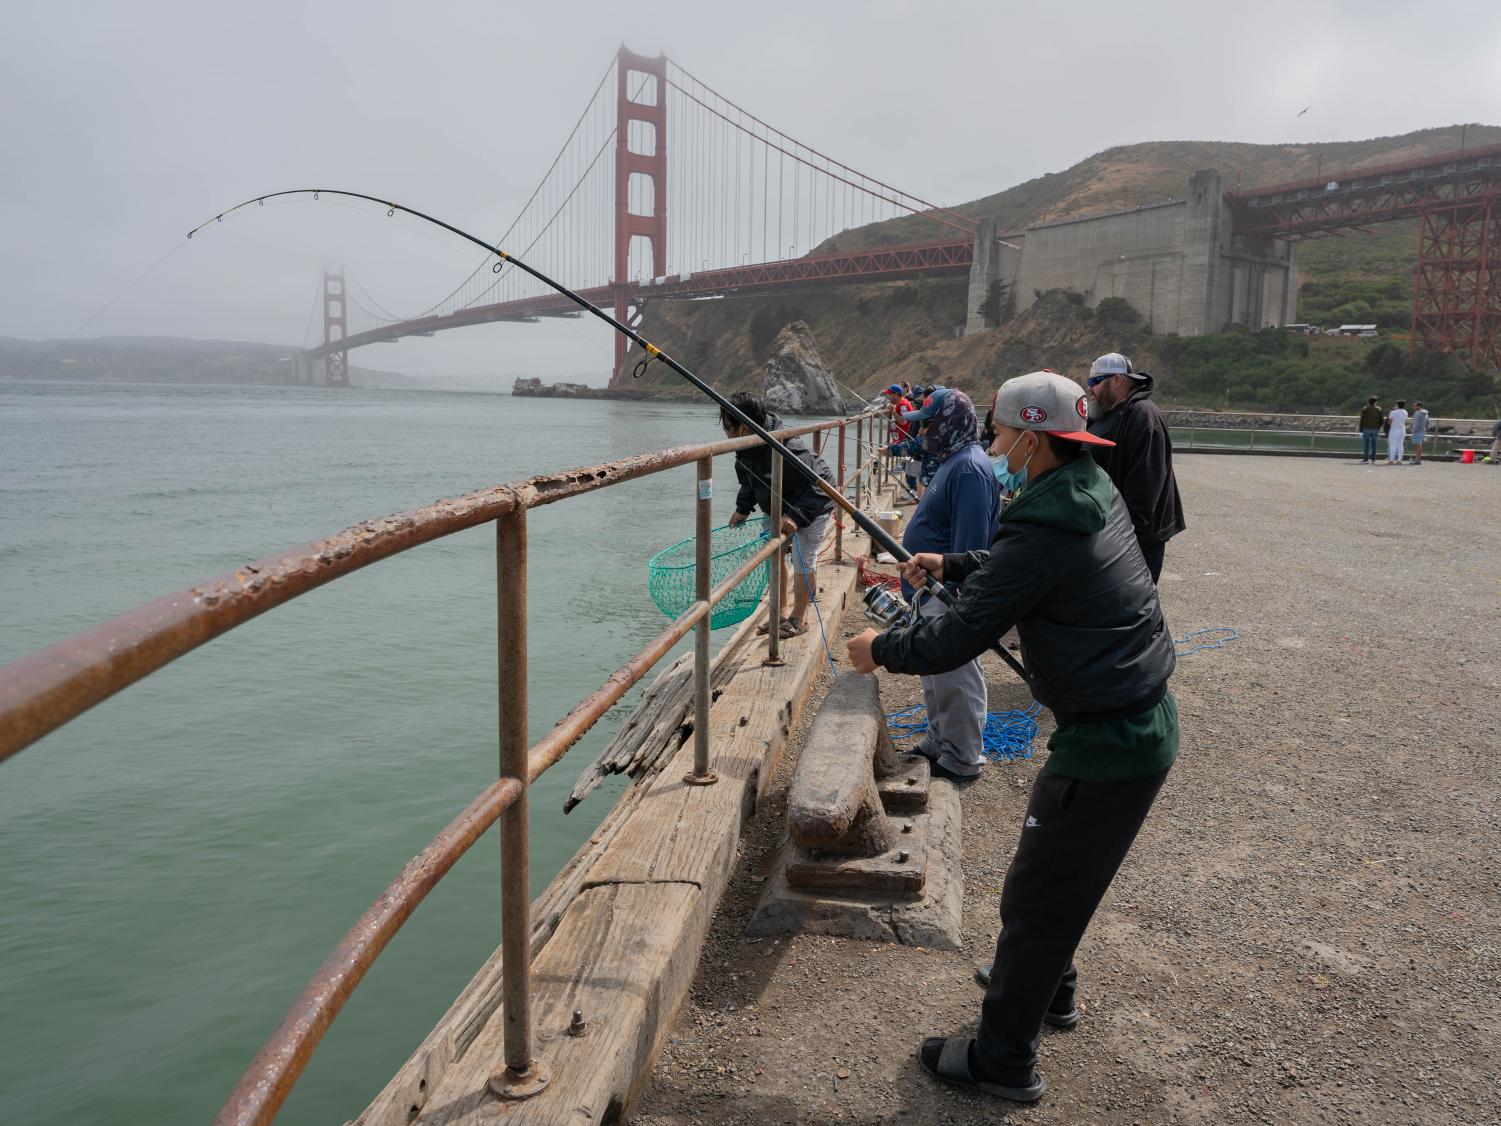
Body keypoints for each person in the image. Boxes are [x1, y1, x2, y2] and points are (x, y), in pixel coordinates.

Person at [847, 370, 1177, 1104]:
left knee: (1034, 896)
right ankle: (1049, 992)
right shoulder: (1087, 487)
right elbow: (1022, 568)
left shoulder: (1043, 518)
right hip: (1133, 722)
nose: (993, 448)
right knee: (1059, 882)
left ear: (1031, 438)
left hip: (1108, 742)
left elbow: (957, 636)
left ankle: (1002, 1060)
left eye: (999, 435)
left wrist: (879, 648)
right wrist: (951, 562)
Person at [892, 389, 1000, 781]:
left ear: (952, 422)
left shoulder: (969, 469)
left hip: (945, 594)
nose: (924, 430)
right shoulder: (952, 461)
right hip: (926, 591)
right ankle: (939, 741)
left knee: (956, 673)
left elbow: (970, 546)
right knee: (934, 671)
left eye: (931, 421)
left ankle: (963, 756)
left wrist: (954, 591)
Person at [721, 392, 835, 639]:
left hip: (812, 504)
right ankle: (779, 612)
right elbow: (749, 482)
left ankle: (799, 618)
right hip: (777, 505)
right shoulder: (745, 446)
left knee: (804, 559)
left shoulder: (789, 447)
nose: (725, 433)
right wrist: (742, 508)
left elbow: (820, 488)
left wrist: (795, 516)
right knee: (774, 556)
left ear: (742, 427)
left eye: (728, 427)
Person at [1084, 352, 1185, 582]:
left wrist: (1123, 539)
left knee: (1132, 603)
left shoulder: (1142, 415)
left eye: (1095, 382)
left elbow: (1145, 488)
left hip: (1135, 540)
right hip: (1111, 532)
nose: (1090, 388)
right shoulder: (1108, 413)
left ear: (1117, 381)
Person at [1358, 396, 1383, 464]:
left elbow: (1362, 419)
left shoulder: (1365, 409)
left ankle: (1366, 459)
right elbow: (1381, 420)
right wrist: (1379, 427)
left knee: (1366, 444)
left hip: (1366, 428)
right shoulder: (1379, 409)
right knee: (1374, 444)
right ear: (1376, 402)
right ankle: (1373, 459)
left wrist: (1360, 428)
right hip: (1375, 429)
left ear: (1369, 402)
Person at [1387, 399, 1409, 465]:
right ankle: (1399, 460)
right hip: (1402, 430)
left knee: (1392, 446)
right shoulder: (1405, 412)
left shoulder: (1393, 412)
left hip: (1394, 430)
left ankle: (1391, 460)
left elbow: (1389, 421)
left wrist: (1392, 424)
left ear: (1397, 405)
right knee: (1401, 445)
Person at [1410, 401, 1430, 466]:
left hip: (1416, 432)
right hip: (1422, 431)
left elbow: (1416, 424)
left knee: (1417, 446)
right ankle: (1418, 459)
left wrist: (1413, 431)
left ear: (1419, 406)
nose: (1413, 407)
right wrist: (1425, 429)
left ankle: (1417, 460)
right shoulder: (1426, 413)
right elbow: (1428, 422)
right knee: (1419, 445)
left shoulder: (1417, 413)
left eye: (1415, 406)